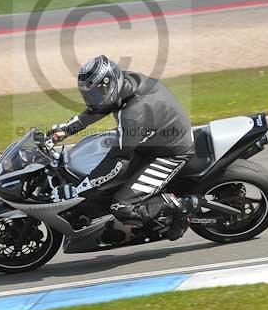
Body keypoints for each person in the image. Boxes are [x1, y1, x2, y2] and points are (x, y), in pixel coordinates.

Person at [48, 55, 198, 240]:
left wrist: (79, 189)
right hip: (152, 139)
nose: (91, 99)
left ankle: (180, 207)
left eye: (94, 94)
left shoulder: (133, 114)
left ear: (110, 85)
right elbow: (101, 107)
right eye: (88, 94)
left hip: (170, 154)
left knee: (122, 206)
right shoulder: (125, 83)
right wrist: (65, 131)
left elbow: (118, 161)